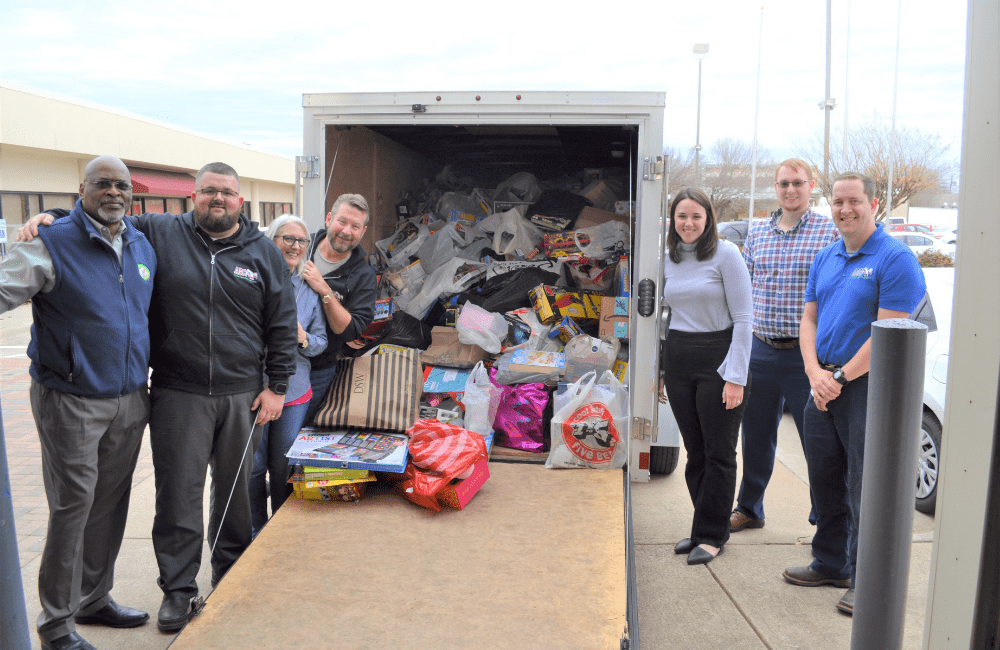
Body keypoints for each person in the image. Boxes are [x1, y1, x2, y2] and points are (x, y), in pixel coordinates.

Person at [20, 162, 298, 634]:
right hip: (177, 392)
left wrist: (277, 386)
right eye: (208, 190)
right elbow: (100, 216)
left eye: (227, 193)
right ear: (193, 196)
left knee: (235, 497)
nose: (218, 199)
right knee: (178, 497)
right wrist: (48, 216)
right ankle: (178, 589)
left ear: (240, 201)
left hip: (242, 395)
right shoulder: (158, 232)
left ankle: (229, 574)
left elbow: (281, 321)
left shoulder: (263, 252)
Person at [0, 156, 155, 650]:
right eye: (103, 184)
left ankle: (94, 598)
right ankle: (56, 625)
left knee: (110, 506)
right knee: (73, 508)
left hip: (129, 399)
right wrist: (31, 229)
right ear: (81, 189)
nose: (114, 192)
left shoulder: (139, 241)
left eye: (122, 185)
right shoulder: (50, 242)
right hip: (70, 400)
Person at [782, 172, 925, 616]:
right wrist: (812, 373)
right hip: (821, 385)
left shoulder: (894, 259)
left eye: (854, 201)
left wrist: (839, 378)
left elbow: (889, 333)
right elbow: (808, 320)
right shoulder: (826, 256)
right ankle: (830, 562)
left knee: (865, 485)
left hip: (864, 388)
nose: (845, 209)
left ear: (874, 204)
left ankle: (866, 579)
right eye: (838, 202)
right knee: (824, 480)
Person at [731, 159, 840, 532]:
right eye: (783, 184)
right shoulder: (758, 233)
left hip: (807, 357)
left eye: (797, 183)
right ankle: (749, 507)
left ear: (811, 187)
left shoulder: (829, 233)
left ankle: (825, 517)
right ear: (774, 188)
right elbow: (742, 293)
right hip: (760, 351)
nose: (790, 190)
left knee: (819, 442)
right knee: (756, 436)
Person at [658, 188, 752, 566]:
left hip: (719, 357)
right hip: (679, 357)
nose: (689, 223)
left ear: (708, 219)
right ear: (673, 220)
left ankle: (714, 535)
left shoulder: (727, 255)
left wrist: (736, 377)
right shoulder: (668, 259)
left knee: (718, 453)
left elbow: (745, 320)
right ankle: (702, 528)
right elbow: (663, 318)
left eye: (697, 216)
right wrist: (662, 370)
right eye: (682, 216)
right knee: (694, 452)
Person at [250, 215, 328, 535]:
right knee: (253, 467)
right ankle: (254, 531)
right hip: (253, 389)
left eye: (301, 241)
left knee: (282, 465)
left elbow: (321, 342)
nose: (295, 246)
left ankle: (279, 530)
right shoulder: (250, 280)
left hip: (294, 390)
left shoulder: (309, 290)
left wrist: (303, 338)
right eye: (288, 239)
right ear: (271, 240)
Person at [299, 194, 379, 425]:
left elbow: (350, 332)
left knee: (297, 437)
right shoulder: (300, 246)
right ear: (328, 218)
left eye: (355, 226)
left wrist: (324, 289)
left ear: (363, 232)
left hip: (318, 371)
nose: (346, 231)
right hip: (273, 363)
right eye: (342, 222)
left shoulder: (363, 276)